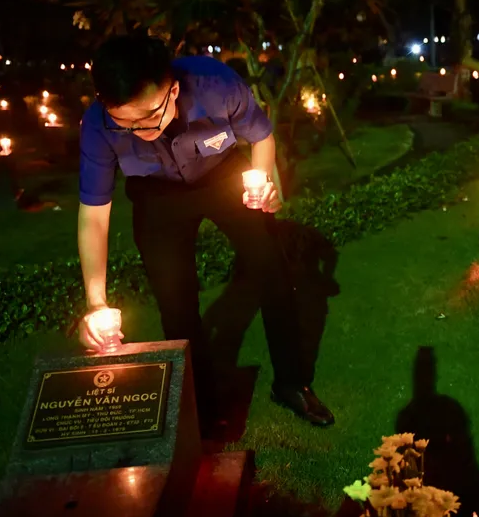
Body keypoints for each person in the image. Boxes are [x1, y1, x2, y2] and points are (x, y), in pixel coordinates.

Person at [77, 36, 334, 433]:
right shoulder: (98, 124)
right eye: (125, 122)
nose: (140, 129)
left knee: (272, 271)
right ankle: (201, 405)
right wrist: (95, 301)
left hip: (220, 174)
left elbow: (261, 136)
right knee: (175, 301)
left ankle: (291, 383)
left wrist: (264, 182)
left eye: (149, 115)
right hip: (156, 192)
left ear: (173, 90)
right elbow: (94, 215)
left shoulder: (216, 86)